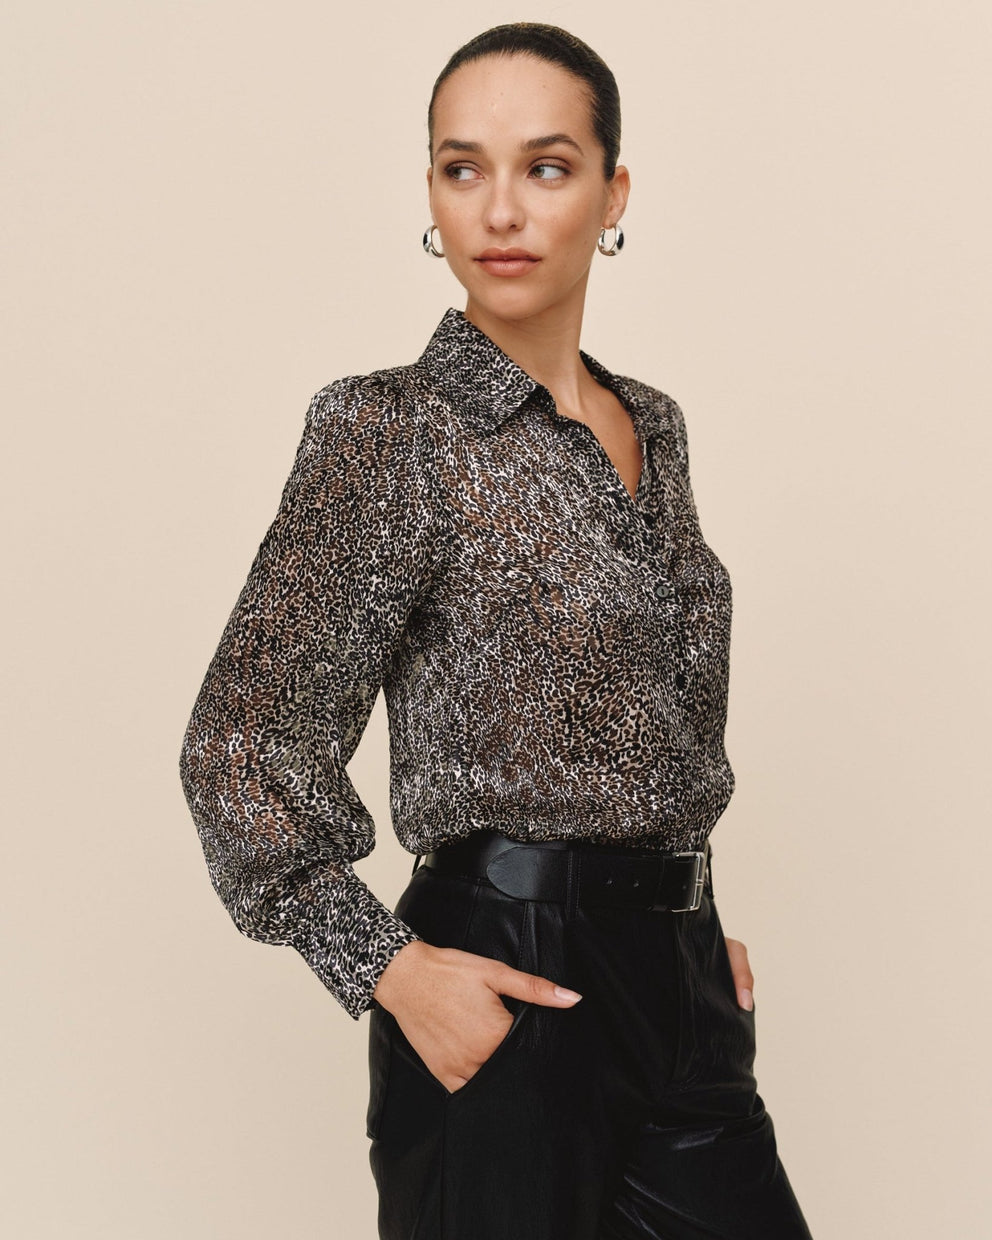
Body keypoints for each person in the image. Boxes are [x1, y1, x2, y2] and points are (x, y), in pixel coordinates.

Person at [179, 21, 813, 1240]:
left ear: (612, 193)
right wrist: (385, 966)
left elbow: (644, 718)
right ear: (430, 191)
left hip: (677, 980)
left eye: (546, 166)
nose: (501, 210)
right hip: (503, 970)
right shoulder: (391, 431)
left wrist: (682, 926)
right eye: (461, 167)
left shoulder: (654, 426)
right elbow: (240, 747)